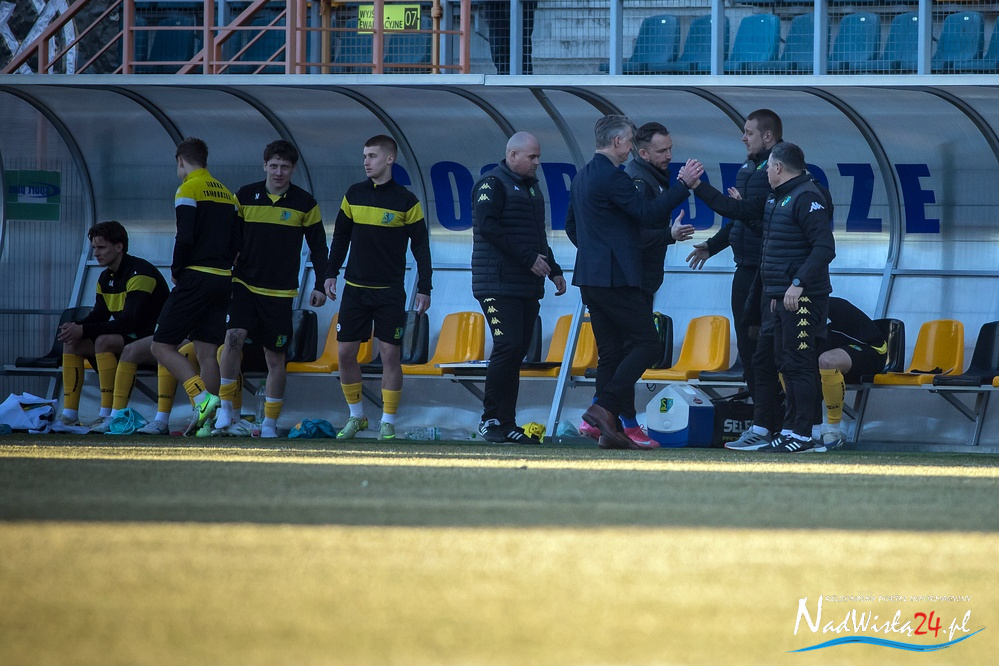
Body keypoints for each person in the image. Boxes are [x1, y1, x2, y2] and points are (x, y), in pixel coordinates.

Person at [565, 114, 701, 449]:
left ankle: (609, 430)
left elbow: (571, 227)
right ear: (617, 142)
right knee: (648, 344)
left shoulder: (582, 176)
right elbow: (648, 214)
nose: (630, 146)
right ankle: (603, 408)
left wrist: (595, 252)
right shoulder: (615, 177)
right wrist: (684, 185)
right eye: (628, 140)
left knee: (611, 353)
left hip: (590, 277)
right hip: (616, 278)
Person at [213, 140, 329, 439]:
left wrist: (320, 283)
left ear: (293, 169)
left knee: (275, 358)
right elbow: (229, 240)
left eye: (285, 167)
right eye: (274, 166)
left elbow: (319, 247)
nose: (279, 172)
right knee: (233, 339)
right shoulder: (244, 195)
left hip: (280, 293)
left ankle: (268, 424)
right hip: (244, 284)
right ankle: (225, 408)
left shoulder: (305, 203)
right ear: (264, 165)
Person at [324, 134, 432, 440]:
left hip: (389, 292)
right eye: (364, 156)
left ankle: (387, 421)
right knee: (345, 353)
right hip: (355, 289)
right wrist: (330, 274)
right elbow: (340, 237)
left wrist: (425, 287)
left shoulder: (406, 201)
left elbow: (421, 247)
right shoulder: (354, 194)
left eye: (372, 156)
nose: (366, 162)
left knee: (389, 355)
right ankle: (356, 416)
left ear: (389, 159)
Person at [686, 109, 781, 434]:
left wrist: (739, 207)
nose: (743, 138)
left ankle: (773, 421)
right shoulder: (748, 167)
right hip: (744, 269)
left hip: (765, 273)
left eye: (749, 132)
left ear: (767, 136)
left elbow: (764, 223)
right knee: (748, 347)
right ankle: (760, 421)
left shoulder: (779, 169)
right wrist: (713, 245)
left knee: (765, 349)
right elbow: (739, 217)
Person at [471, 131, 567, 443]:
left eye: (538, 156)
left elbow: (535, 236)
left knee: (516, 352)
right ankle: (490, 419)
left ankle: (507, 423)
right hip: (496, 283)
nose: (537, 162)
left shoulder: (531, 188)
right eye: (532, 157)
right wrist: (528, 259)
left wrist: (554, 270)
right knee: (508, 345)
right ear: (513, 155)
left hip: (525, 284)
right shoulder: (491, 184)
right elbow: (488, 228)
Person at [744, 141, 835, 452]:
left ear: (778, 167)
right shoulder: (782, 196)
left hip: (804, 298)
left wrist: (797, 283)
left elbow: (824, 247)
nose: (766, 172)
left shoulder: (807, 196)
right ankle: (790, 429)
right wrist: (777, 291)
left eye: (769, 166)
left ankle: (803, 434)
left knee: (800, 363)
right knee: (786, 363)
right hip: (784, 297)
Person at [150, 137, 240, 436]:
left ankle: (201, 399)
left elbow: (184, 235)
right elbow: (237, 242)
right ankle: (207, 425)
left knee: (161, 345)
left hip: (196, 276)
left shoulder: (188, 189)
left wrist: (177, 270)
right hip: (222, 278)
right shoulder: (228, 194)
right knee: (206, 351)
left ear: (180, 161)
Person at [51, 220, 170, 433]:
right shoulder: (105, 277)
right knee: (72, 343)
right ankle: (69, 415)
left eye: (101, 247)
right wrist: (76, 327)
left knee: (104, 341)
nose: (96, 253)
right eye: (94, 247)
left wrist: (84, 330)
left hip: (155, 338)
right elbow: (100, 315)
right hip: (130, 336)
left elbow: (130, 322)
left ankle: (108, 415)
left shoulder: (141, 273)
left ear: (119, 246)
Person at [814, 297, 888, 450]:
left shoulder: (830, 306)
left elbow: (873, 339)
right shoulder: (790, 315)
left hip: (873, 351)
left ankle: (833, 431)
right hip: (843, 354)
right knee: (791, 362)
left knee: (827, 361)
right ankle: (804, 430)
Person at [475, 1, 537, 75]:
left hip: (520, 6)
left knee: (521, 47)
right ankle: (506, 77)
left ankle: (520, 77)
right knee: (501, 48)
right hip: (496, 7)